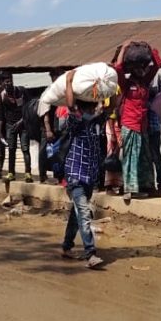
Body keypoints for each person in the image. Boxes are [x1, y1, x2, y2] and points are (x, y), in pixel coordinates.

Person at [59, 72, 107, 270]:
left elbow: (112, 106)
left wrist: (113, 84)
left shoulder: (97, 122)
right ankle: (90, 253)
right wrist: (69, 82)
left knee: (77, 213)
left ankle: (66, 246)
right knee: (84, 213)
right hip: (75, 174)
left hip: (89, 175)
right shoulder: (77, 122)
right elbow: (71, 107)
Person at [114, 42, 161, 201]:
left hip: (143, 125)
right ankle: (130, 189)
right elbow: (118, 68)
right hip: (129, 124)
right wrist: (124, 48)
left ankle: (147, 186)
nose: (142, 70)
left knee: (145, 157)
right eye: (139, 68)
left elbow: (157, 64)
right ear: (133, 69)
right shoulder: (125, 83)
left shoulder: (145, 82)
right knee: (130, 157)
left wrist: (149, 48)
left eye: (143, 68)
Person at [0, 74, 31, 182]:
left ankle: (28, 173)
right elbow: (1, 114)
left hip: (23, 124)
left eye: (9, 81)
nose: (8, 84)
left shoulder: (21, 91)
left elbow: (28, 108)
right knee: (11, 149)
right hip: (10, 125)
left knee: (25, 148)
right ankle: (11, 173)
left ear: (12, 81)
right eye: (5, 82)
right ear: (3, 84)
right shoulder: (2, 96)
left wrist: (21, 121)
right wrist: (0, 132)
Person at [148, 81, 161, 195]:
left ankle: (159, 184)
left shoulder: (159, 95)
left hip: (153, 130)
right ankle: (152, 185)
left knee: (155, 158)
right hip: (148, 130)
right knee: (151, 159)